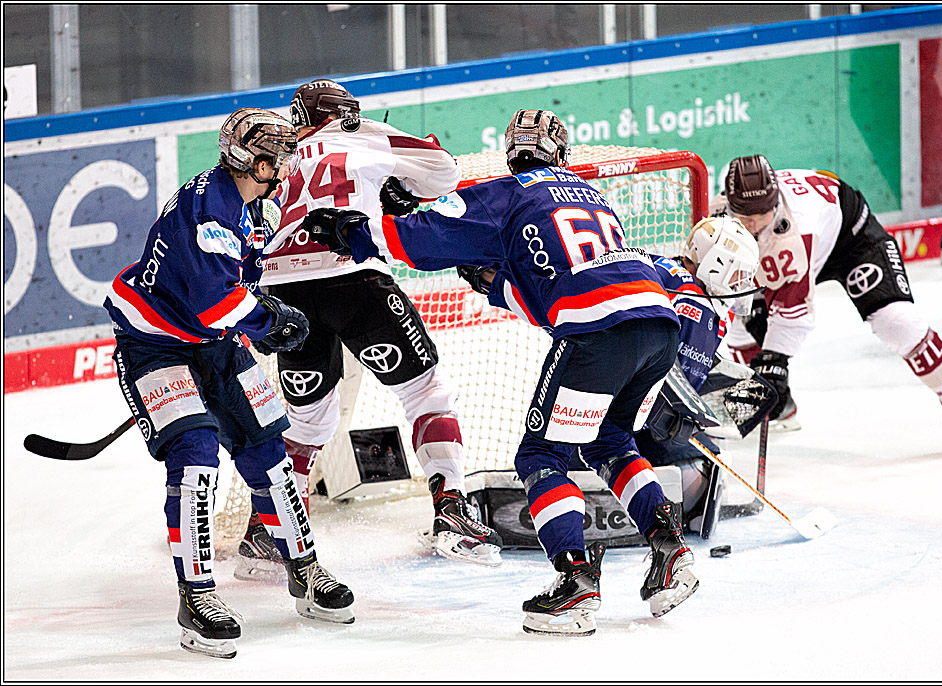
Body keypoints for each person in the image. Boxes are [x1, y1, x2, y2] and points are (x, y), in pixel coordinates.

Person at [302, 108, 700, 636]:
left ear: (513, 152)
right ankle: (670, 550)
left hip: (596, 331)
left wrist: (356, 233)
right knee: (609, 441)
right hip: (657, 323)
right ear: (562, 153)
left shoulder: (510, 190)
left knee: (540, 455)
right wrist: (491, 282)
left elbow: (421, 241)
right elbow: (549, 289)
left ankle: (576, 584)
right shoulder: (591, 196)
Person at [102, 108, 354, 659]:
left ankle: (304, 569)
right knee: (194, 457)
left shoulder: (243, 197)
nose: (287, 164)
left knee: (268, 453)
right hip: (156, 346)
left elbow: (256, 248)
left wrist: (320, 227)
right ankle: (196, 595)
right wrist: (272, 320)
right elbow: (216, 302)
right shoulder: (208, 211)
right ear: (256, 162)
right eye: (280, 156)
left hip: (213, 344)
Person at [234, 79, 502, 576]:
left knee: (307, 423)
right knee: (426, 392)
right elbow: (443, 170)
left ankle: (270, 533)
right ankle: (452, 512)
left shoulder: (281, 156)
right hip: (352, 276)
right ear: (345, 110)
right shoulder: (358, 130)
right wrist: (401, 187)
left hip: (282, 291)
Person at [712, 154, 942, 447]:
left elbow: (794, 312)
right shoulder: (716, 216)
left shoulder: (798, 224)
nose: (756, 225)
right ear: (730, 207)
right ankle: (779, 408)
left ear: (776, 202)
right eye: (746, 217)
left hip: (853, 241)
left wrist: (774, 362)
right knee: (741, 316)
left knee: (898, 322)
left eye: (763, 215)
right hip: (794, 254)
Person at [635, 216, 764, 539]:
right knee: (708, 471)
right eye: (738, 273)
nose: (743, 283)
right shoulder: (696, 303)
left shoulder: (670, 272)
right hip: (618, 424)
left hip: (595, 398)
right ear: (717, 264)